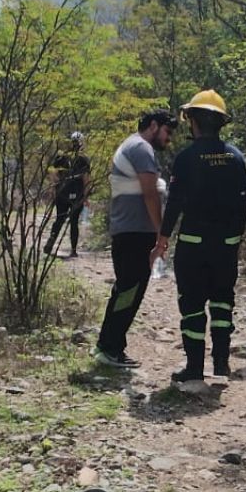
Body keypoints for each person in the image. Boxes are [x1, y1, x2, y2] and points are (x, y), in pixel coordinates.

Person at [150, 90, 246, 382]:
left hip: (193, 246)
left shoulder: (186, 159)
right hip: (225, 247)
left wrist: (163, 237)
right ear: (221, 122)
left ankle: (195, 367)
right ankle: (221, 364)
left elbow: (176, 203)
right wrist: (235, 238)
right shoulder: (235, 157)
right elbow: (244, 202)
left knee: (192, 305)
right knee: (222, 302)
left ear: (192, 120)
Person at [93, 110, 178, 368]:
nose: (169, 138)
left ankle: (111, 347)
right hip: (134, 233)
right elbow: (150, 194)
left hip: (129, 231)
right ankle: (109, 349)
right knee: (129, 291)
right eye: (167, 131)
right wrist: (161, 234)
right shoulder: (141, 148)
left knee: (127, 290)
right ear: (153, 126)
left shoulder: (132, 145)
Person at [44, 131, 91, 258]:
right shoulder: (83, 159)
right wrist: (86, 197)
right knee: (74, 222)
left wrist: (54, 190)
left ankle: (51, 242)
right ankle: (73, 250)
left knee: (59, 219)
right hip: (78, 195)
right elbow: (86, 179)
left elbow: (53, 175)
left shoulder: (61, 157)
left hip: (62, 194)